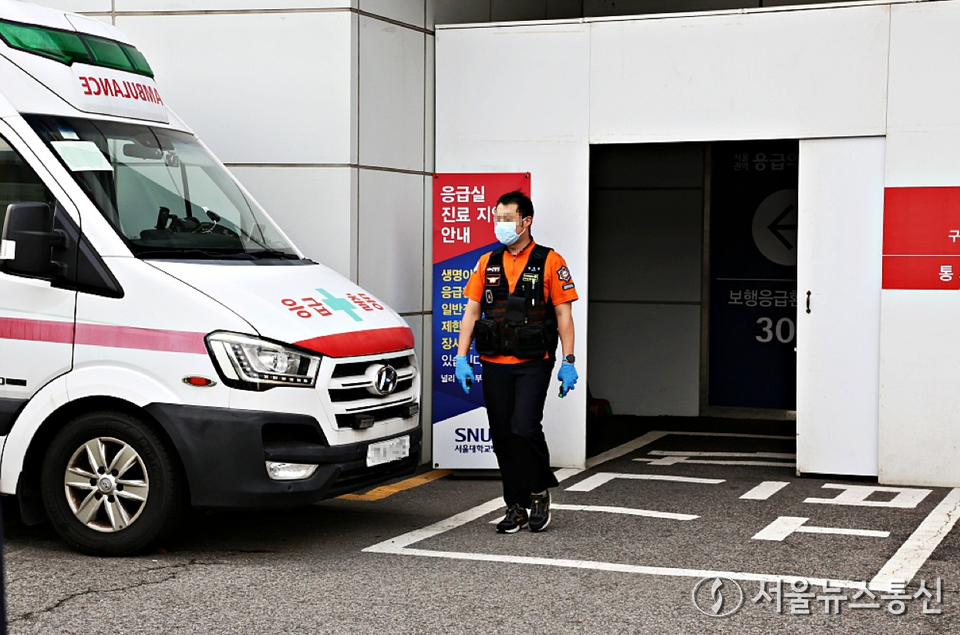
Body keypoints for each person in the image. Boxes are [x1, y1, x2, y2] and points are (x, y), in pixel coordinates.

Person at [454, 190, 579, 533]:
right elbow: (472, 311)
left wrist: (568, 360)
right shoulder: (487, 262)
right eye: (497, 218)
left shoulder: (550, 261)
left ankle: (538, 491)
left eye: (507, 218)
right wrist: (461, 357)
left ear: (526, 221)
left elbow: (563, 315)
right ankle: (515, 505)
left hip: (533, 360)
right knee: (502, 435)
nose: (501, 224)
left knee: (524, 427)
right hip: (494, 361)